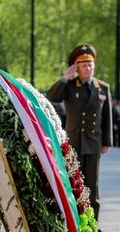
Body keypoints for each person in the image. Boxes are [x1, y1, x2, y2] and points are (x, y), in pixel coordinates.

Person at [47, 43, 113, 222]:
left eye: (90, 64)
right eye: (84, 65)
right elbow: (51, 97)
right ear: (77, 68)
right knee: (72, 182)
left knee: (92, 184)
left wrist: (107, 141)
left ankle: (92, 221)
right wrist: (63, 78)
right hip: (74, 141)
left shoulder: (103, 88)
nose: (88, 68)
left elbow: (107, 116)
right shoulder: (69, 86)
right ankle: (73, 219)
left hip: (93, 142)